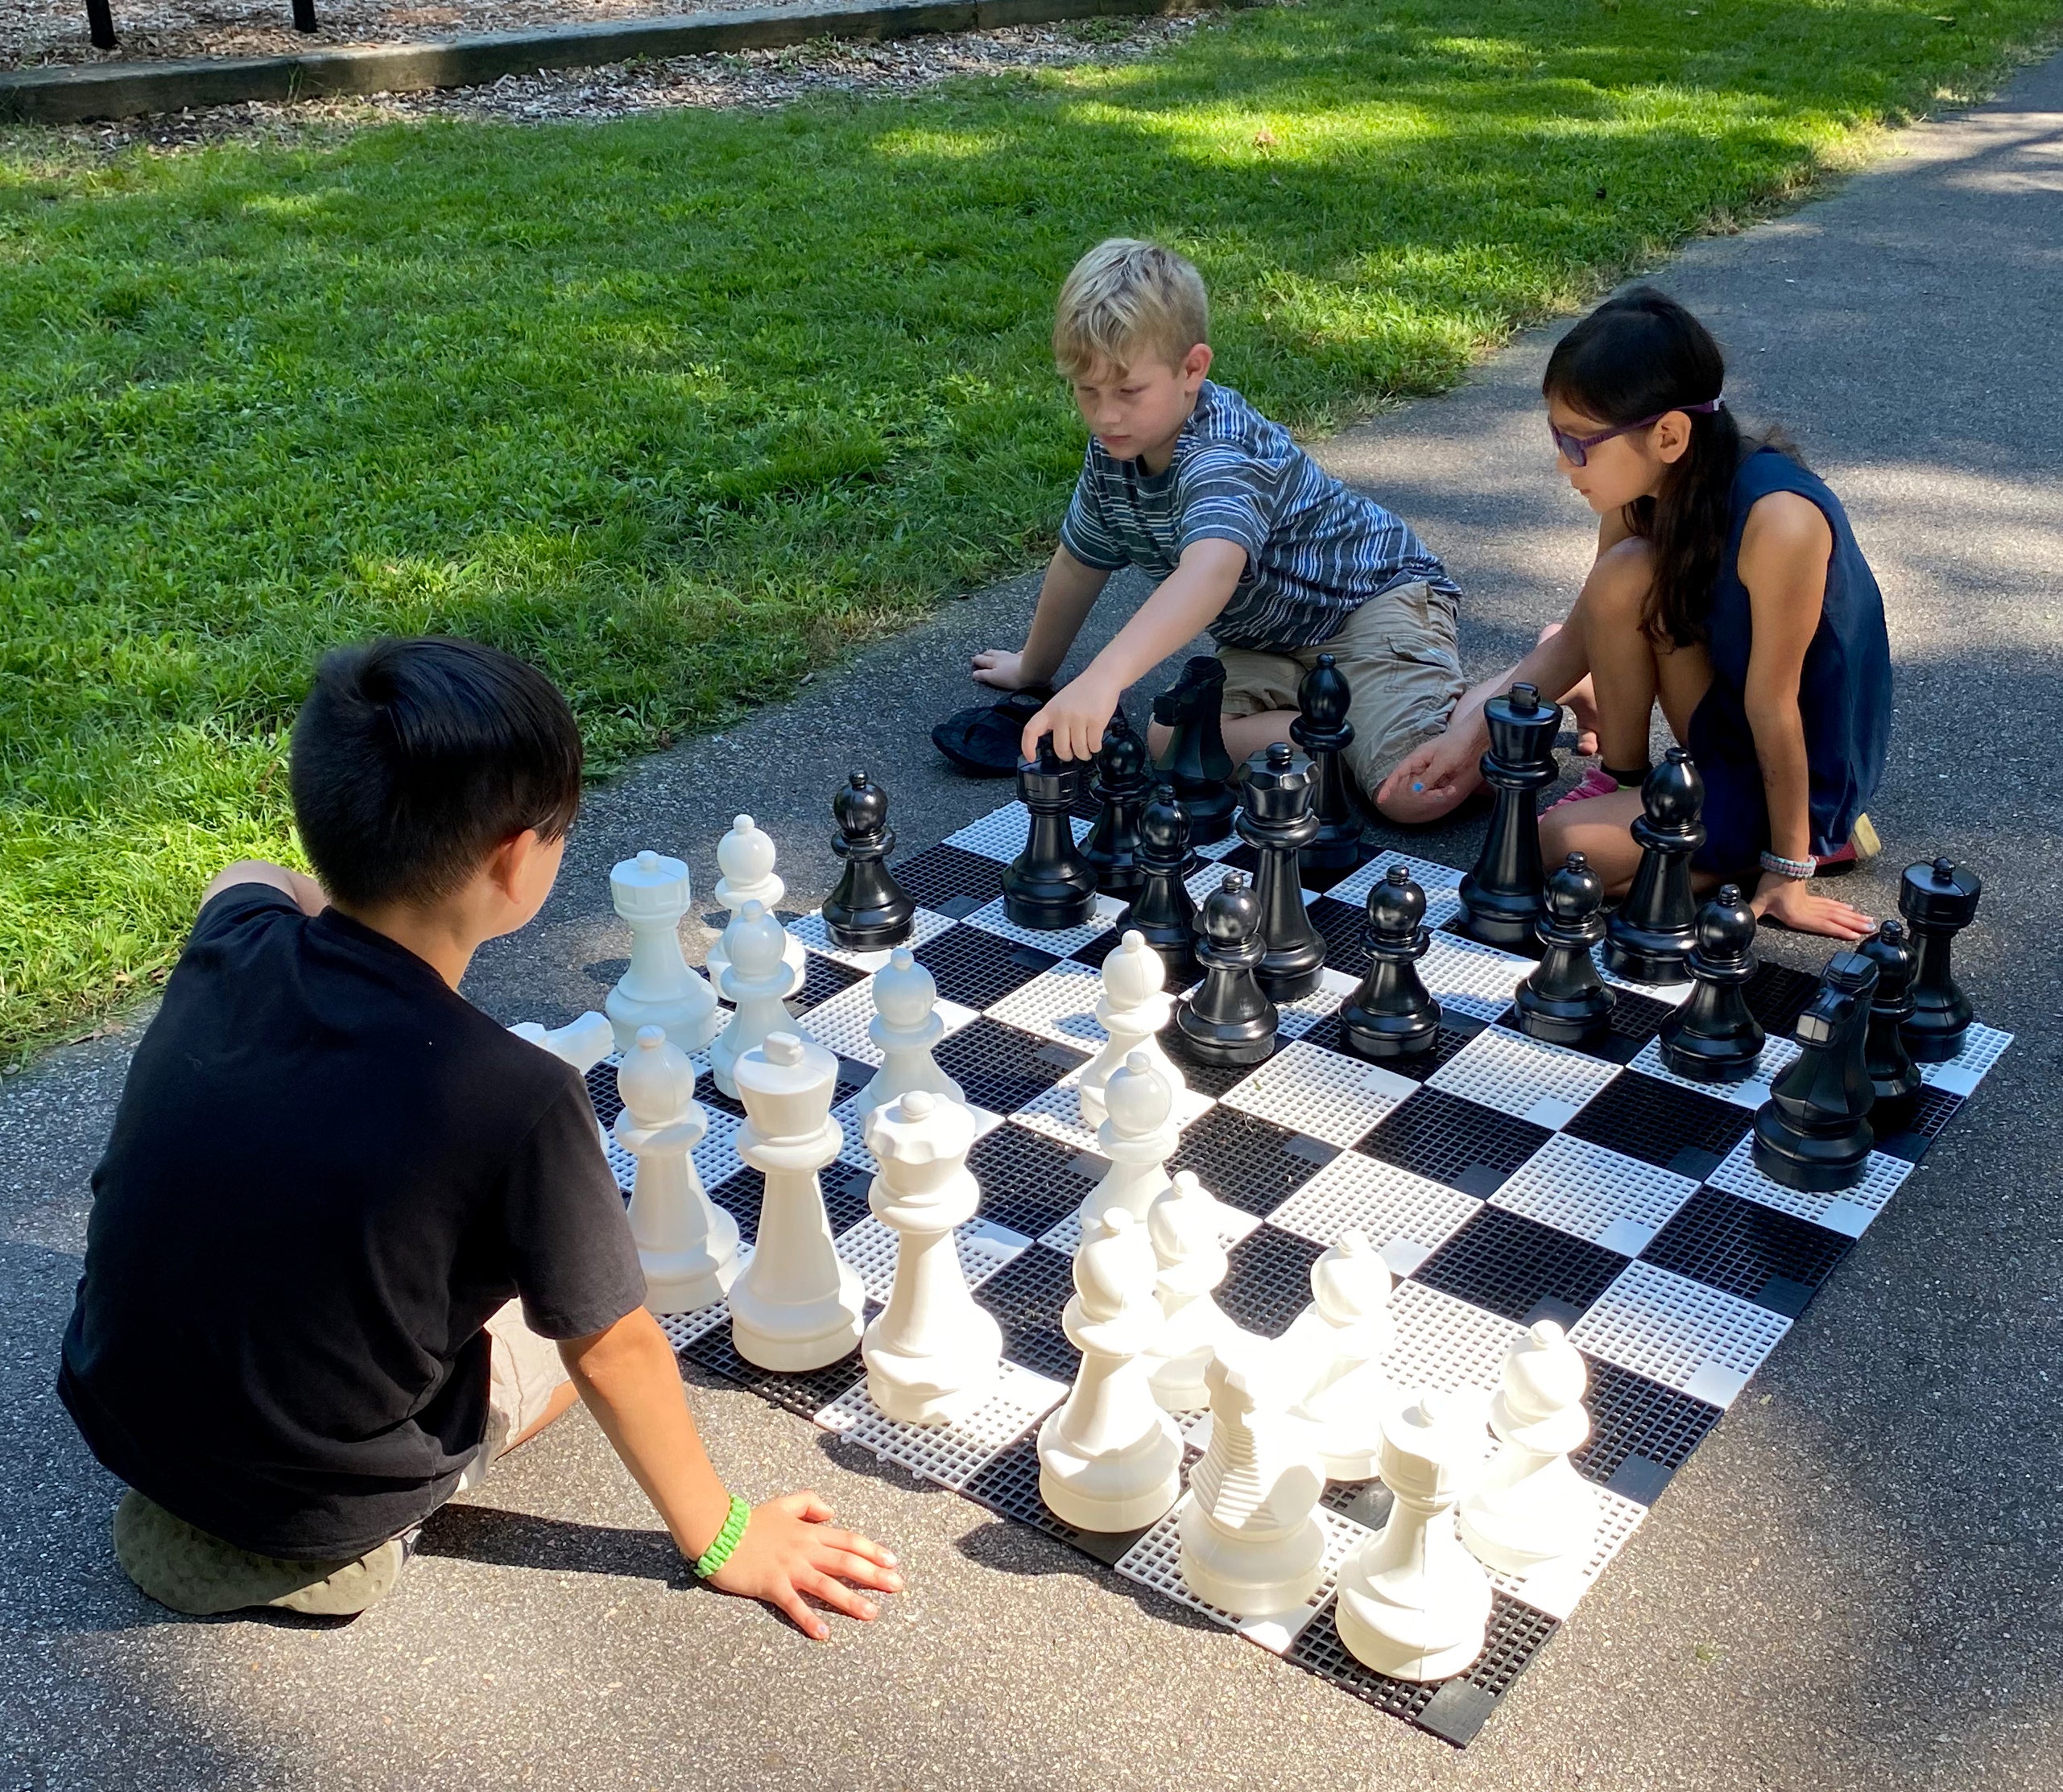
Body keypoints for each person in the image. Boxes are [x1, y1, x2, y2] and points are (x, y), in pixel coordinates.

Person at [59, 636, 900, 1636]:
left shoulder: (234, 945)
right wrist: (725, 1538)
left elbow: (252, 874)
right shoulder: (519, 1099)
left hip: (127, 1428)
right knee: (636, 1293)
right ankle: (394, 1504)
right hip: (321, 1521)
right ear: (513, 858)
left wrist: (360, 925)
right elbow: (614, 1349)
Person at [1377, 287, 1890, 940]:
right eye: (1557, 436)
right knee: (1619, 578)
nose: (1564, 463)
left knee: (1558, 850)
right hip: (1723, 729)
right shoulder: (1644, 492)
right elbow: (1578, 638)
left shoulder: (1781, 522)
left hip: (1801, 765)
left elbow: (1776, 708)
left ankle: (1808, 843)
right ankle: (1621, 779)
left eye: (1580, 443)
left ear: (1670, 434)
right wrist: (1467, 739)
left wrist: (1787, 872)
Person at [972, 237, 1466, 789]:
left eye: (1129, 390)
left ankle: (1518, 695)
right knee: (1177, 743)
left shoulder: (1220, 452)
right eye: (1087, 391)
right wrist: (1033, 669)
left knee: (1413, 790)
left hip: (1371, 605)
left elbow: (1211, 571)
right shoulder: (1117, 451)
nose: (1106, 415)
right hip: (1269, 640)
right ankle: (1348, 733)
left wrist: (1103, 677)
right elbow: (1078, 562)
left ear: (1193, 368)